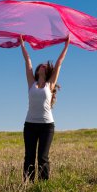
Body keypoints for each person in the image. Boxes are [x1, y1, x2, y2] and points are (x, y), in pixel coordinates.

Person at [20, 35, 69, 182]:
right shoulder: (31, 83)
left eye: (44, 65)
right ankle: (27, 183)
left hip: (47, 126)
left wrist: (66, 45)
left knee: (43, 157)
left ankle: (43, 186)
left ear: (47, 71)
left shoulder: (50, 84)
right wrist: (22, 44)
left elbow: (59, 63)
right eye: (40, 65)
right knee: (29, 156)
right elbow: (27, 61)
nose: (42, 65)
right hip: (30, 125)